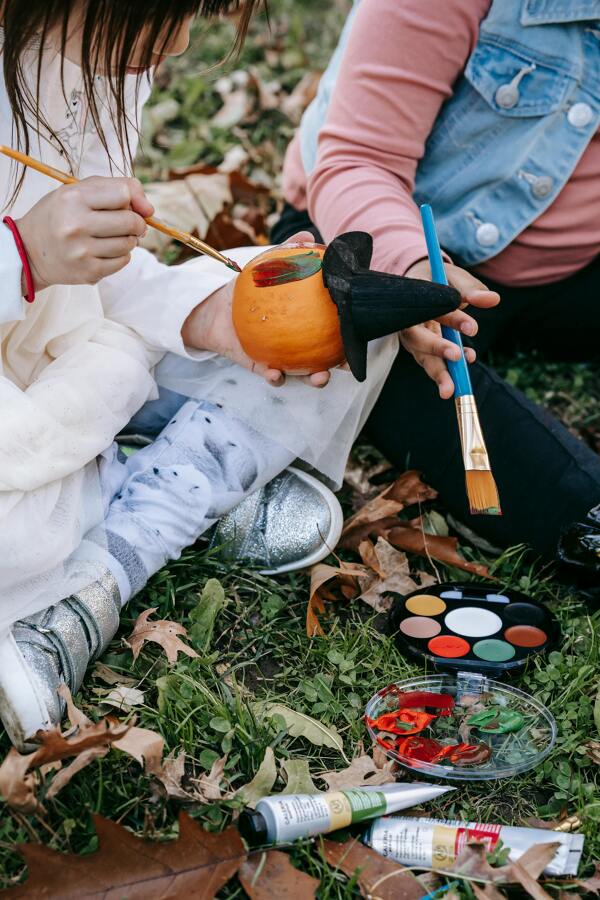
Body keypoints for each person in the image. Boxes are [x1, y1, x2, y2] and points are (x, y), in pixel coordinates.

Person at [0, 0, 419, 749]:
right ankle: (149, 518)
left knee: (349, 321)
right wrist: (19, 258)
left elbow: (96, 288)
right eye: (166, 7)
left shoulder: (98, 54)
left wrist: (217, 320)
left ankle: (114, 538)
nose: (184, 40)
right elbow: (42, 271)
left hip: (65, 364)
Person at [274, 0, 600, 580]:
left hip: (568, 267)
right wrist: (414, 268)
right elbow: (356, 158)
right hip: (380, 247)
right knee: (398, 367)